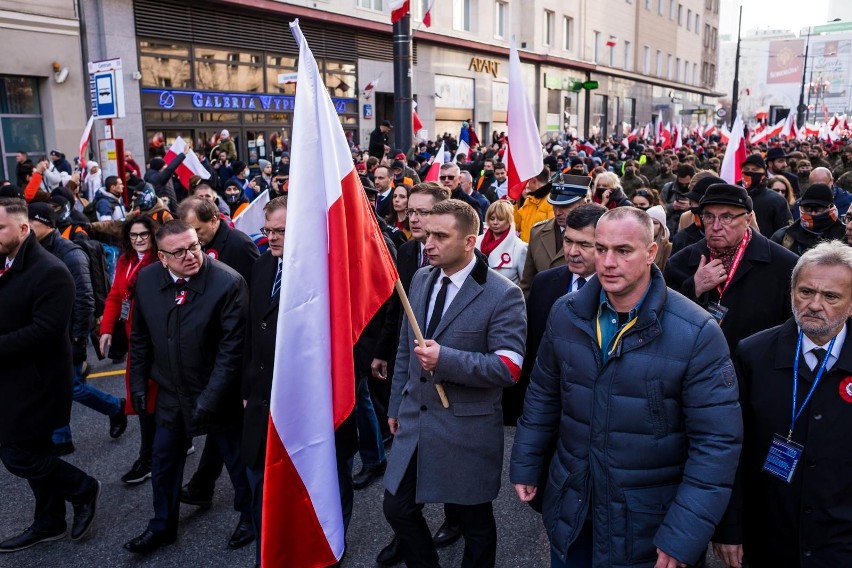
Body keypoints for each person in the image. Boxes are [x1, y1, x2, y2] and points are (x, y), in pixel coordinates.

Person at [510, 206, 743, 568]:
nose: (607, 262)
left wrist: (683, 533)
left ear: (650, 253)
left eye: (623, 251)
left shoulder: (696, 332)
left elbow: (716, 444)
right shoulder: (566, 313)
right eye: (600, 249)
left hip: (649, 526)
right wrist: (526, 461)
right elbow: (543, 394)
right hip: (574, 510)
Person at [383, 199, 526, 568]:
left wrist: (446, 359)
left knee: (474, 522)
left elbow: (508, 368)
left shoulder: (503, 294)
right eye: (427, 234)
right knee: (396, 508)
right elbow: (405, 347)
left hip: (467, 427)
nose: (427, 243)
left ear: (469, 242)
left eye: (440, 236)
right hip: (416, 418)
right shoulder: (420, 278)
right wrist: (397, 404)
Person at [712, 240, 852, 568]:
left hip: (841, 542)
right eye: (805, 292)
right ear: (791, 293)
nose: (814, 304)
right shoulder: (753, 354)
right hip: (769, 538)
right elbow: (731, 446)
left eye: (830, 296)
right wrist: (729, 528)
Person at [124, 220, 253, 554]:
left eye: (194, 246)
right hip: (169, 392)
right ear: (162, 257)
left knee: (238, 462)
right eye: (178, 251)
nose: (190, 255)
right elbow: (139, 337)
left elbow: (231, 351)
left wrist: (210, 399)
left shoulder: (227, 283)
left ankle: (251, 518)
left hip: (216, 394)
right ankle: (162, 526)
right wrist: (137, 382)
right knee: (163, 461)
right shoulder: (149, 280)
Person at [0, 197, 101, 552]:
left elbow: (44, 331)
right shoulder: (6, 260)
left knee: (16, 453)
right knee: (34, 451)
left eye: (0, 227)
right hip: (13, 378)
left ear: (24, 228)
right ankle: (50, 521)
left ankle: (82, 487)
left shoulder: (51, 270)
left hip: (39, 382)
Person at [176, 197, 258, 521]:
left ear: (213, 221)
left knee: (230, 434)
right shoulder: (199, 247)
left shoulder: (239, 246)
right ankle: (202, 485)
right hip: (211, 349)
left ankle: (248, 510)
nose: (192, 242)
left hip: (237, 350)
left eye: (196, 232)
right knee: (220, 429)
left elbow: (254, 298)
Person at [27, 203, 127, 455]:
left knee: (69, 386)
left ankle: (116, 407)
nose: (26, 227)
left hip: (68, 333)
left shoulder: (70, 253)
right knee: (58, 384)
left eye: (32, 222)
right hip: (49, 331)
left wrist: (78, 339)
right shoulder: (35, 249)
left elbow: (85, 298)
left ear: (47, 224)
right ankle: (61, 437)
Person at [665, 183, 799, 355]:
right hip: (698, 367)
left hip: (756, 369)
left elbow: (793, 329)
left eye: (726, 217)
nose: (715, 226)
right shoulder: (680, 262)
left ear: (747, 219)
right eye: (708, 216)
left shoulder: (784, 265)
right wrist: (693, 288)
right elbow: (663, 320)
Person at [510, 203, 606, 427]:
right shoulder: (544, 282)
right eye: (568, 241)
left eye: (584, 244)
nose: (572, 252)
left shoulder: (616, 291)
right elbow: (532, 347)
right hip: (547, 406)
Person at [99, 216, 161, 485]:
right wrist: (106, 329)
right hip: (134, 341)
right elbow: (115, 296)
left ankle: (148, 457)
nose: (139, 239)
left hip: (155, 342)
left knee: (151, 399)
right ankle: (156, 451)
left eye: (144, 234)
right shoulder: (126, 259)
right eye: (134, 234)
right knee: (144, 399)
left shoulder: (160, 260)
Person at [519, 174, 592, 295]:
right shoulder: (537, 232)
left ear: (584, 204)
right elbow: (527, 284)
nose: (558, 212)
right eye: (554, 206)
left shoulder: (597, 236)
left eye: (565, 206)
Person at [771, 183, 847, 256]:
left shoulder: (846, 235)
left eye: (819, 209)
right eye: (807, 208)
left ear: (831, 208)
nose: (813, 213)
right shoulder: (784, 236)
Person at [475, 200, 528, 285]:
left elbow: (525, 283)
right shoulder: (477, 241)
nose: (495, 222)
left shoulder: (520, 247)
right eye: (492, 218)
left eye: (500, 219)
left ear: (509, 220)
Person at [740, 154, 793, 235]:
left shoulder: (777, 200)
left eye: (754, 170)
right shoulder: (735, 196)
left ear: (763, 173)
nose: (750, 172)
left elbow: (785, 233)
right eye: (746, 169)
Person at [514, 167, 554, 242]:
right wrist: (514, 204)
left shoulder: (551, 201)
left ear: (533, 180)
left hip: (539, 251)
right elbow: (517, 226)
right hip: (525, 249)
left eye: (527, 181)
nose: (527, 185)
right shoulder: (529, 200)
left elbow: (551, 234)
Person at [647, 204, 673, 271]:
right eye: (648, 222)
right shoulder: (638, 242)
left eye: (655, 223)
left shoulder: (668, 247)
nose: (651, 225)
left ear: (661, 227)